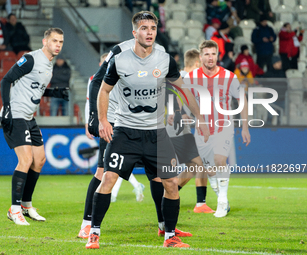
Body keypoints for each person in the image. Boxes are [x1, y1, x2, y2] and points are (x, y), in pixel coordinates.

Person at [85, 11, 209, 249]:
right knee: (108, 178)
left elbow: (183, 89)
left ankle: (169, 236)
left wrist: (200, 117)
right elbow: (103, 90)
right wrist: (102, 120)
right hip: (125, 132)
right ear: (135, 33)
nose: (149, 32)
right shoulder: (120, 60)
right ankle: (94, 232)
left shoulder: (164, 59)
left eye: (152, 28)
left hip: (156, 134)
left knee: (171, 183)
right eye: (144, 28)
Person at [0, 28, 69, 225]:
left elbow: (32, 89)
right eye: (55, 41)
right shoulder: (30, 59)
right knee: (26, 159)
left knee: (39, 160)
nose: (58, 45)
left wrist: (53, 94)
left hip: (29, 117)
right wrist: (6, 109)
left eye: (61, 42)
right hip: (15, 114)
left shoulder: (49, 64)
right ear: (45, 41)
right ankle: (14, 209)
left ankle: (26, 206)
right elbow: (6, 80)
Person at [81, 53, 145, 241]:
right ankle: (86, 224)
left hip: (129, 127)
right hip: (109, 126)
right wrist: (91, 122)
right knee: (103, 172)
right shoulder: (96, 79)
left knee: (154, 171)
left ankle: (164, 225)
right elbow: (90, 101)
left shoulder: (125, 74)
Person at [184, 40, 251, 218]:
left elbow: (242, 100)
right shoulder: (191, 78)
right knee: (210, 169)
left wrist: (245, 126)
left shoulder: (229, 77)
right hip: (202, 130)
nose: (210, 57)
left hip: (224, 126)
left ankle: (222, 201)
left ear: (217, 56)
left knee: (220, 160)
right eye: (207, 54)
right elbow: (182, 98)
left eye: (213, 54)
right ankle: (221, 196)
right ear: (201, 57)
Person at [166, 48, 215, 214]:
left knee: (194, 165)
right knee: (198, 164)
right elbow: (175, 96)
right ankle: (196, 202)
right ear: (196, 64)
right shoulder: (185, 78)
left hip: (180, 128)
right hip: (175, 128)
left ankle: (172, 195)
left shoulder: (183, 77)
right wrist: (179, 112)